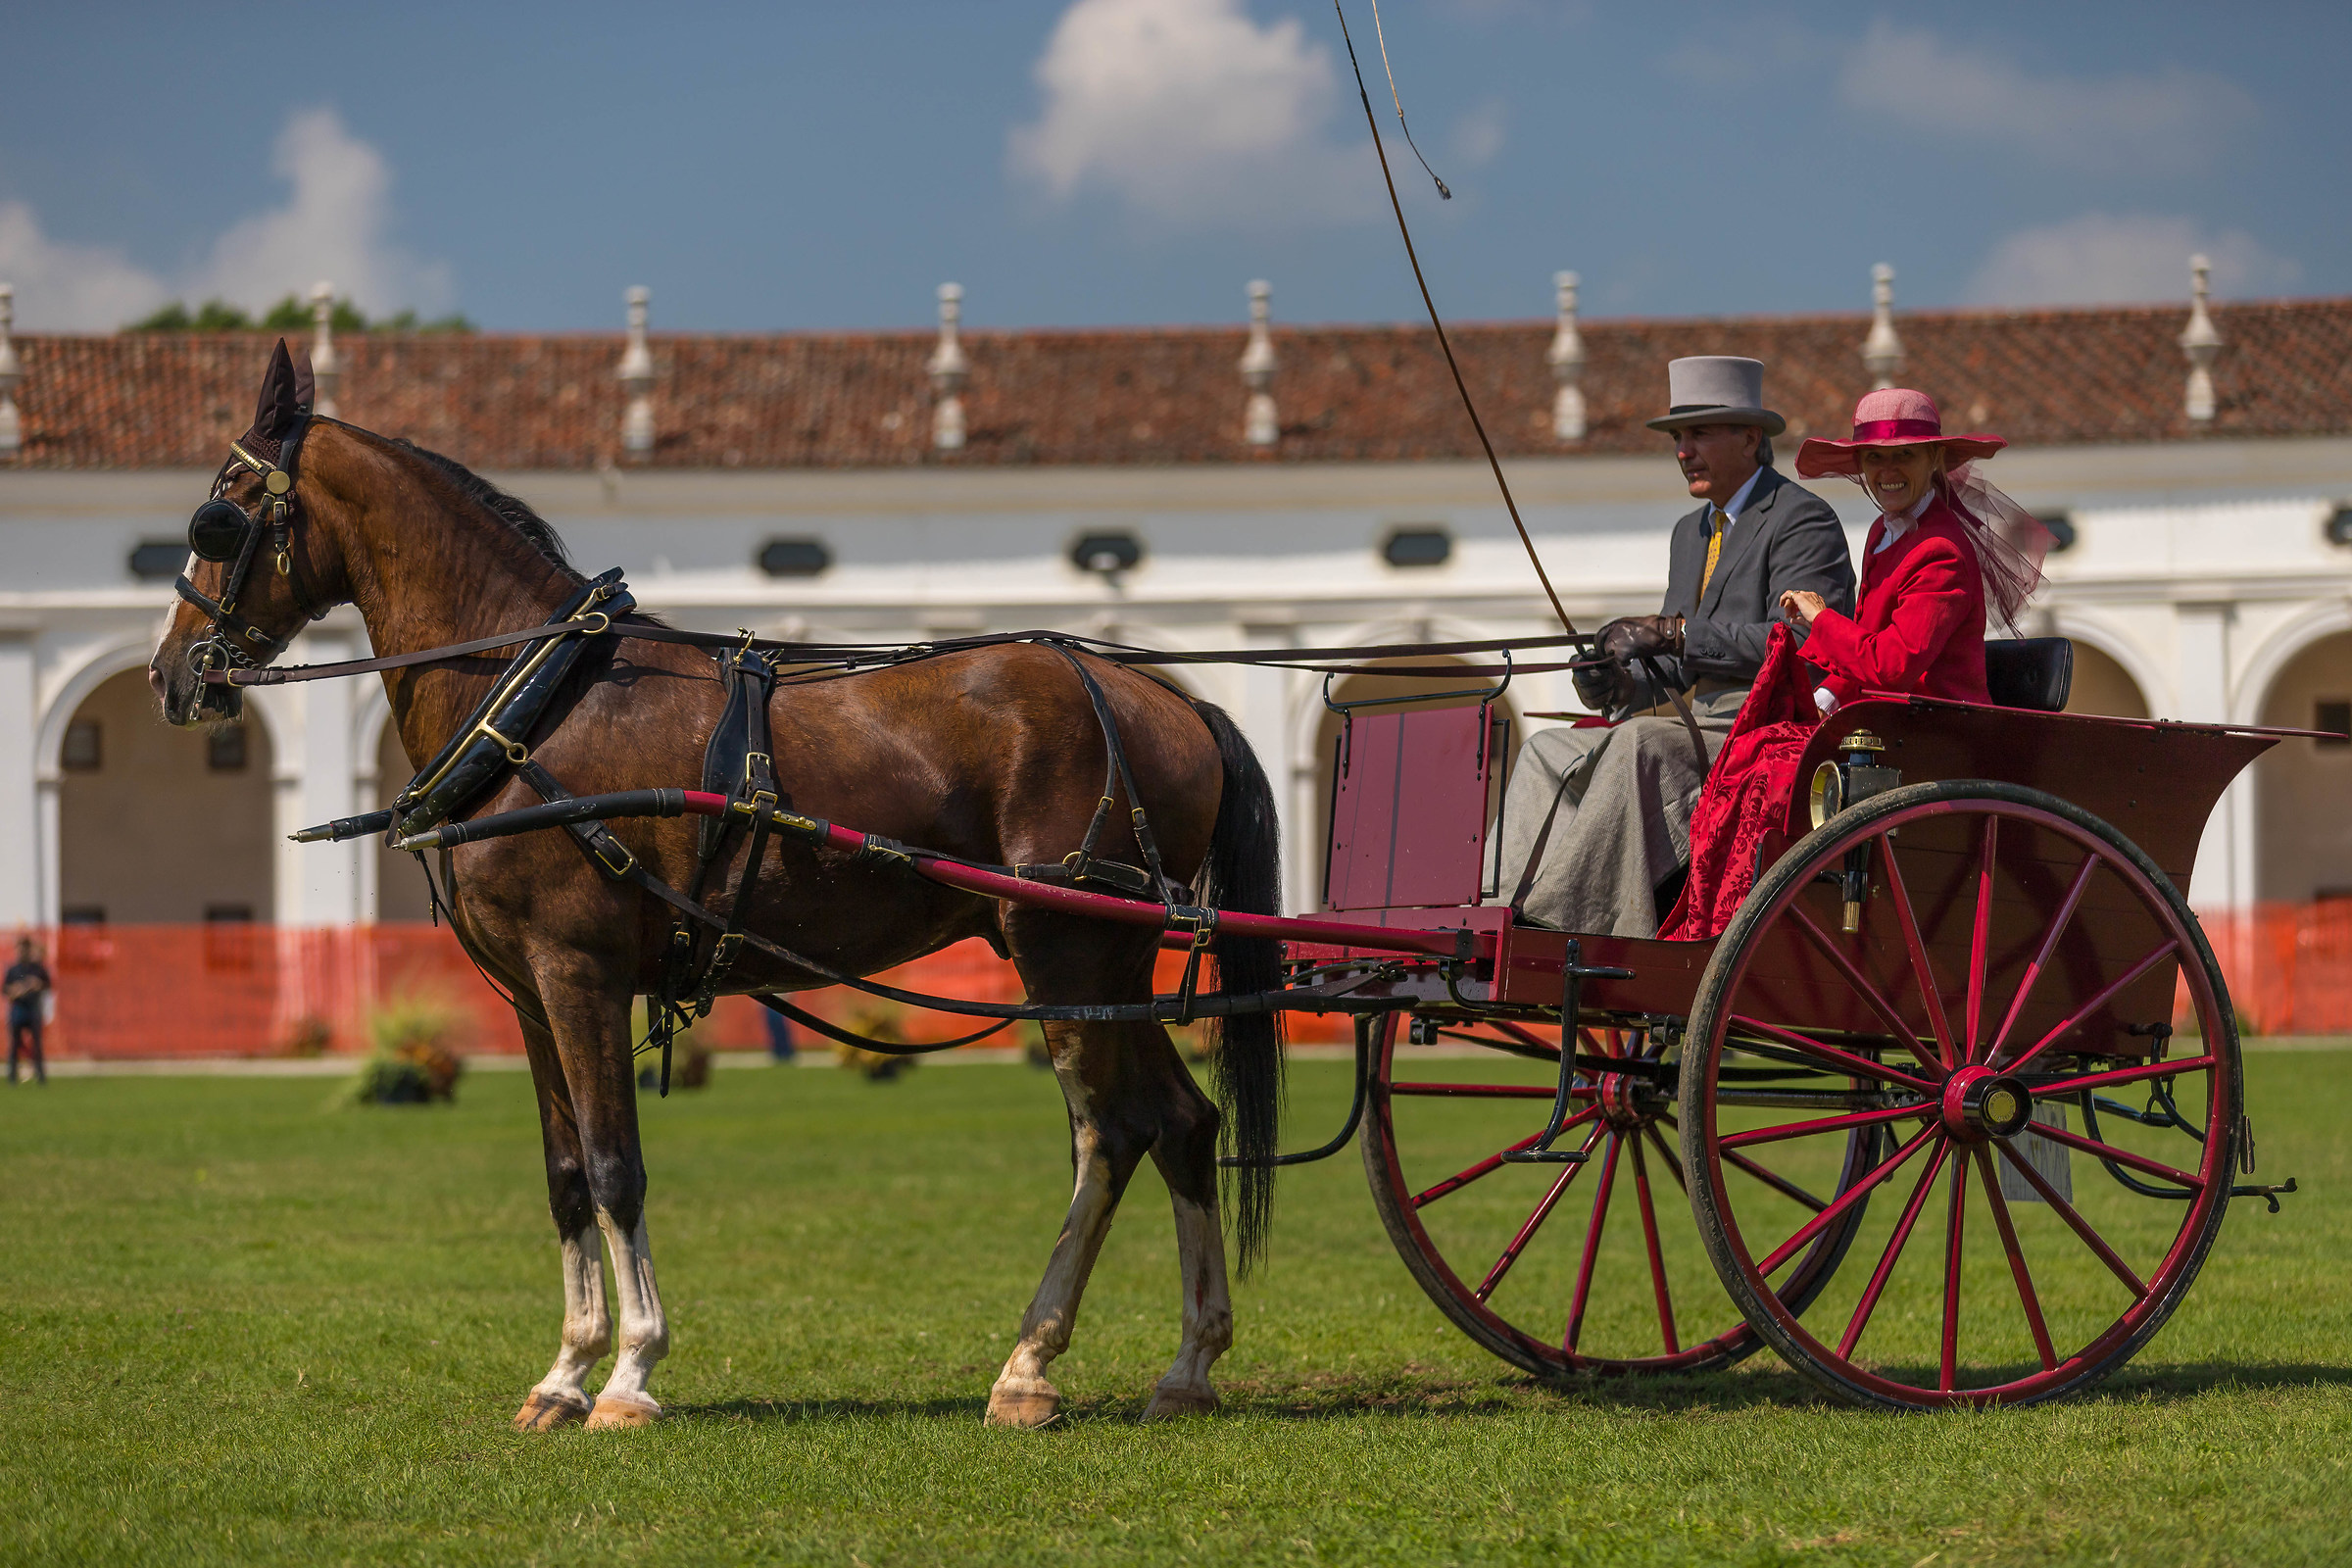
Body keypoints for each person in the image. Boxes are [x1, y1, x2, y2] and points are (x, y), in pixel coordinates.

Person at [1659, 388, 2049, 940]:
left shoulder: (1941, 551)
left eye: (1904, 456)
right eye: (1875, 458)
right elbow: (1866, 645)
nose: (1887, 471)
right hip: (1879, 726)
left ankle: (1741, 930)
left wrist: (1819, 619)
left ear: (1935, 460)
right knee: (1752, 749)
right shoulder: (1881, 535)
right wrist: (1819, 698)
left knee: (1768, 772)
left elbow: (1892, 663)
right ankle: (1726, 925)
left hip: (1932, 735)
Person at [1497, 356, 1855, 936]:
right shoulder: (1690, 533)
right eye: (1678, 437)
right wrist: (1616, 682)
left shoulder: (1802, 520)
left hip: (1762, 730)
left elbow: (1800, 641)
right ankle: (1505, 911)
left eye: (1699, 434)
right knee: (1544, 751)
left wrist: (1675, 632)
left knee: (1638, 744)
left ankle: (1576, 922)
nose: (1683, 450)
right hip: (1697, 725)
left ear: (1750, 437)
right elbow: (1673, 665)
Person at [6, 935, 52, 1086]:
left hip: (33, 1009)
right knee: (14, 1043)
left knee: (37, 1043)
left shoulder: (37, 969)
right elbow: (5, 989)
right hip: (18, 1009)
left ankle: (40, 1075)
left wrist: (37, 985)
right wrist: (15, 990)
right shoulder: (13, 969)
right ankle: (12, 1076)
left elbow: (48, 984)